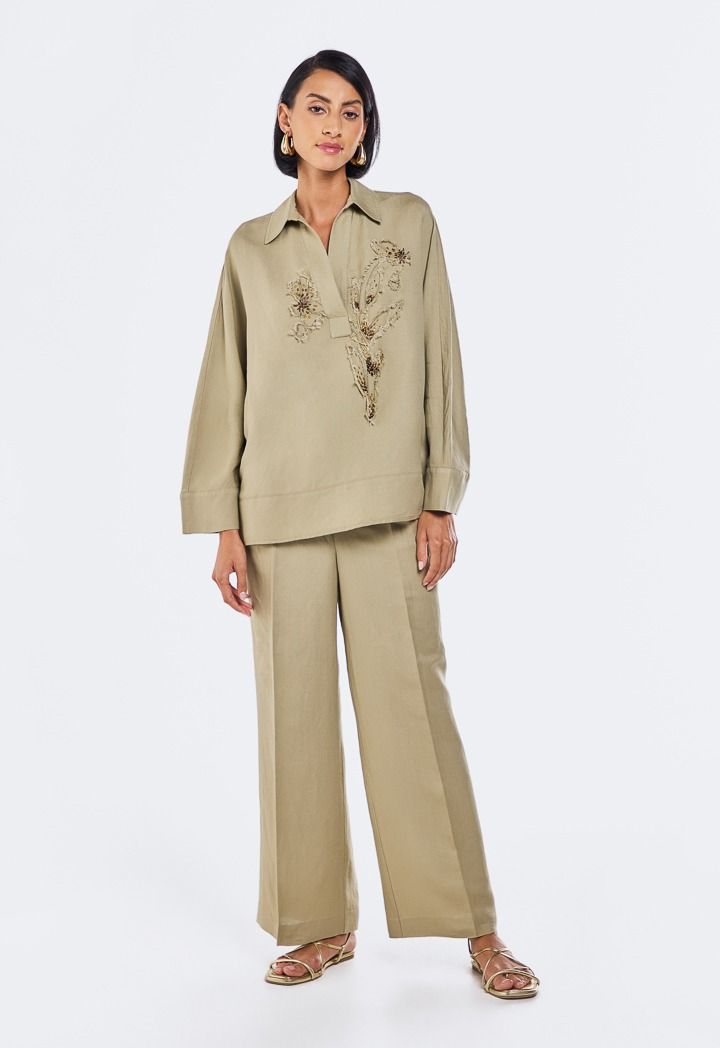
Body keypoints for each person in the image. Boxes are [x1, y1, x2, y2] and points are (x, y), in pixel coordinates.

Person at [179, 49, 540, 1000]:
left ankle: (480, 930)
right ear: (285, 121)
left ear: (366, 129)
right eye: (317, 108)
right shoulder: (250, 249)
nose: (334, 126)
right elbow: (226, 386)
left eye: (351, 112)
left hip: (388, 510)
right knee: (292, 727)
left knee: (414, 719)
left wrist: (440, 496)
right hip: (278, 515)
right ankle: (319, 927)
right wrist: (223, 524)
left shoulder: (409, 224)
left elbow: (441, 360)